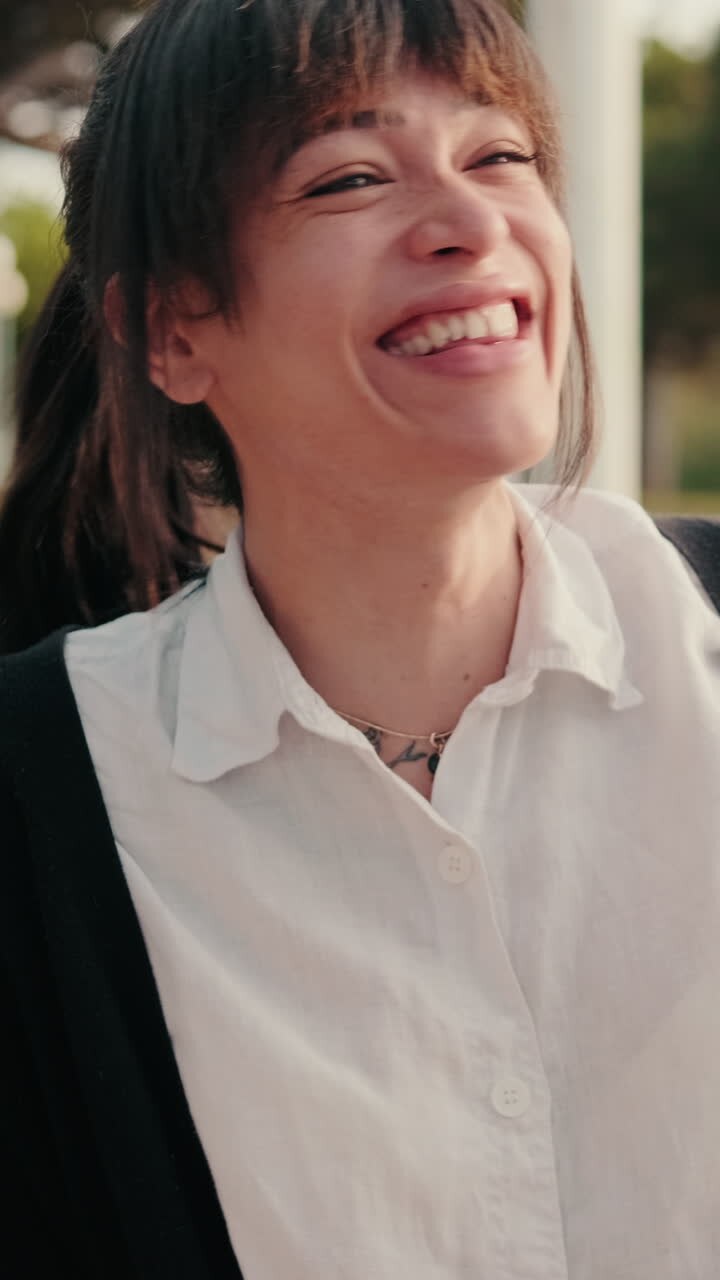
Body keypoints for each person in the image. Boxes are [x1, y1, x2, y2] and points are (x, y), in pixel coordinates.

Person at [0, 0, 719, 1276]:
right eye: (349, 177)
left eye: (499, 156)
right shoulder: (42, 799)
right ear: (173, 328)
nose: (470, 220)